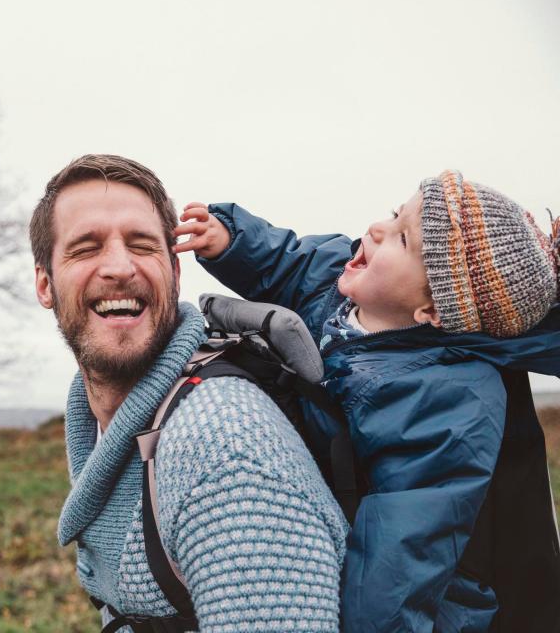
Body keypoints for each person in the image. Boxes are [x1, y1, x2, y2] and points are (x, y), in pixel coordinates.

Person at [176, 170, 560, 632]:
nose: (377, 230)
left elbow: (405, 541)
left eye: (401, 240)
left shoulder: (447, 394)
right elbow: (288, 261)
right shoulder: (338, 275)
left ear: (432, 311)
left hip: (428, 599)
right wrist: (232, 238)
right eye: (395, 214)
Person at [30, 153, 348, 632]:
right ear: (45, 284)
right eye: (86, 248)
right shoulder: (111, 420)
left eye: (142, 245)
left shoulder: (226, 449)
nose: (119, 267)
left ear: (176, 273)